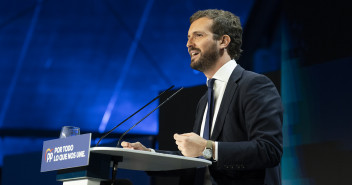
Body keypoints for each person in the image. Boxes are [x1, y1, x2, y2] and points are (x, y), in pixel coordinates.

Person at [122, 9, 283, 185]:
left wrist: (208, 148)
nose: (188, 44)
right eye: (188, 37)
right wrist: (149, 156)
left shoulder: (254, 85)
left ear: (223, 41)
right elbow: (198, 159)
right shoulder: (205, 100)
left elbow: (269, 150)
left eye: (198, 35)